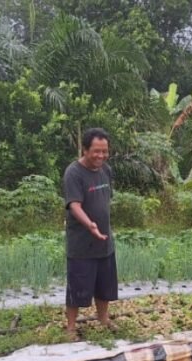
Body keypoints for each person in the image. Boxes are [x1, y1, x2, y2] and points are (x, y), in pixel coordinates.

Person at [62, 127, 118, 340]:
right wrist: (90, 225)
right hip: (81, 244)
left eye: (104, 151)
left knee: (105, 285)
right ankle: (70, 328)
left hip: (104, 242)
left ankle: (103, 319)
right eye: (96, 151)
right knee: (77, 287)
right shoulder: (74, 173)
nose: (101, 156)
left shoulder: (106, 170)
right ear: (85, 150)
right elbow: (74, 205)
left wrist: (103, 227)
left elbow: (105, 200)